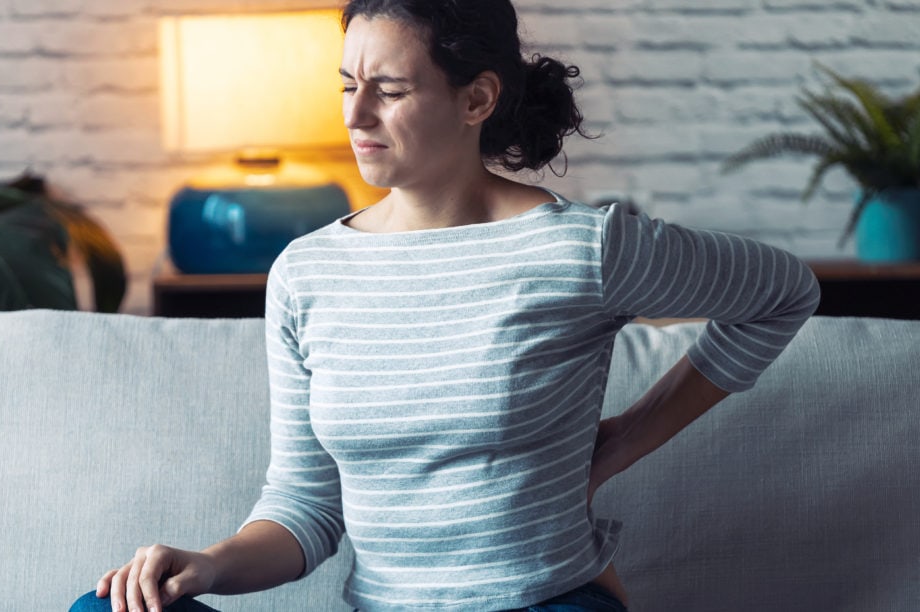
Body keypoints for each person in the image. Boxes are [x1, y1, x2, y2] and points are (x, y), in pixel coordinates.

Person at [72, 0, 820, 610]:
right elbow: (306, 508)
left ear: (477, 98)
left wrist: (622, 440)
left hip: (547, 602)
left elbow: (783, 293)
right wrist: (206, 564)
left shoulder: (581, 248)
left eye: (389, 91)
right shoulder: (307, 273)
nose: (355, 115)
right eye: (346, 85)